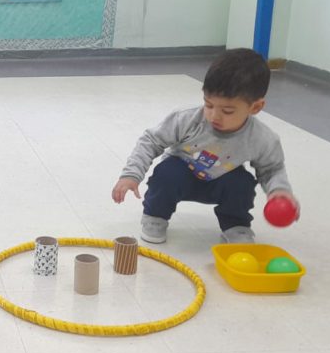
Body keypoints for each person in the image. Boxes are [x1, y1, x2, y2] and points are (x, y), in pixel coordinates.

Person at [112, 49, 299, 244]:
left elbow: (271, 169)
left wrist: (279, 191)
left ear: (255, 107)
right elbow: (151, 141)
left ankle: (236, 225)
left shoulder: (262, 138)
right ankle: (155, 216)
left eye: (227, 111)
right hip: (181, 175)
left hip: (222, 181)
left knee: (242, 184)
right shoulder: (187, 118)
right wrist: (131, 175)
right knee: (167, 173)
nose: (214, 116)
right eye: (208, 105)